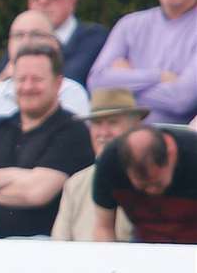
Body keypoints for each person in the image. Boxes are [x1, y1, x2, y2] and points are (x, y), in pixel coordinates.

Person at [0, 46, 96, 238]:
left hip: (48, 248)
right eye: (21, 79)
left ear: (58, 83)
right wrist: (20, 176)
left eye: (37, 79)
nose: (27, 87)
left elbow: (36, 193)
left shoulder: (73, 131)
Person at [89, 0, 197, 125]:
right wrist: (158, 77)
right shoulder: (129, 25)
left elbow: (182, 100)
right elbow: (97, 83)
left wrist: (126, 80)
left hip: (174, 142)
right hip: (119, 140)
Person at [0, 13, 89, 150]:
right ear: (9, 44)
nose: (26, 42)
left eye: (36, 35)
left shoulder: (71, 91)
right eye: (19, 36)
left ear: (55, 44)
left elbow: (69, 148)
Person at [0, 0, 108, 86]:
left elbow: (72, 81)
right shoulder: (23, 39)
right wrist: (3, 77)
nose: (43, 1)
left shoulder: (94, 38)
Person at [52, 89, 142, 242]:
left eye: (113, 122)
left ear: (134, 128)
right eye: (97, 124)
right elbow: (59, 243)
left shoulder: (148, 179)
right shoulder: (75, 183)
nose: (103, 133)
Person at [93, 124, 197, 244]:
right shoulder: (110, 162)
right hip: (145, 244)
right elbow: (104, 227)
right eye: (142, 186)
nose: (151, 191)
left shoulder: (193, 153)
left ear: (171, 154)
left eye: (157, 183)